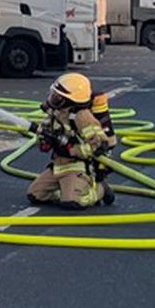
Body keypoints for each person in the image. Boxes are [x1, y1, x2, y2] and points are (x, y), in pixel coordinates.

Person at [27, 72, 109, 209]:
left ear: (70, 100)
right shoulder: (56, 114)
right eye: (53, 95)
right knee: (35, 195)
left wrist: (73, 150)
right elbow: (43, 135)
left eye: (57, 97)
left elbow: (99, 146)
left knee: (72, 202)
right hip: (58, 166)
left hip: (76, 167)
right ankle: (65, 190)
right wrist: (43, 141)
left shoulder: (82, 117)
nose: (52, 100)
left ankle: (99, 191)